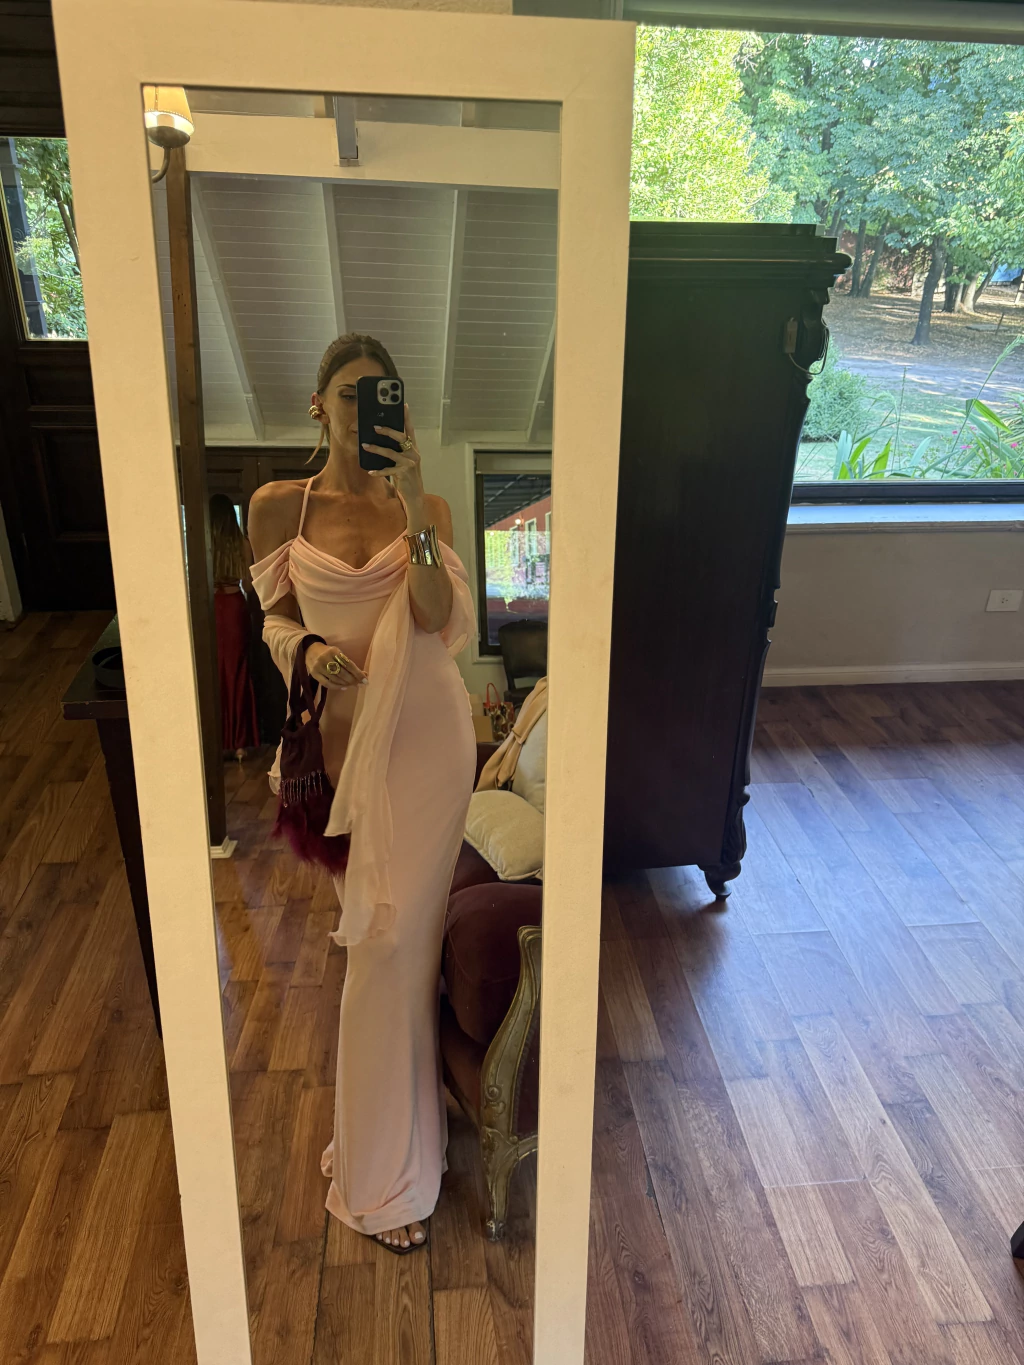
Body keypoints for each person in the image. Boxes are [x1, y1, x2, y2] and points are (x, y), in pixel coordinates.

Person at [247, 333, 476, 1254]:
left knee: (392, 950)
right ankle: (396, 1136)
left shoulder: (427, 507)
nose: (367, 406)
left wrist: (413, 501)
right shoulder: (278, 507)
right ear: (319, 404)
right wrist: (305, 650)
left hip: (429, 742)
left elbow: (432, 613)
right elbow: (274, 619)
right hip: (346, 747)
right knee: (385, 948)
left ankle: (384, 1176)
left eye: (385, 392)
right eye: (351, 392)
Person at [209, 494, 259, 756]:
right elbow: (249, 586)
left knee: (214, 672)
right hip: (234, 608)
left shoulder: (204, 544)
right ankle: (240, 744)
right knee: (238, 672)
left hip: (212, 609)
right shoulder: (243, 543)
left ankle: (217, 741)